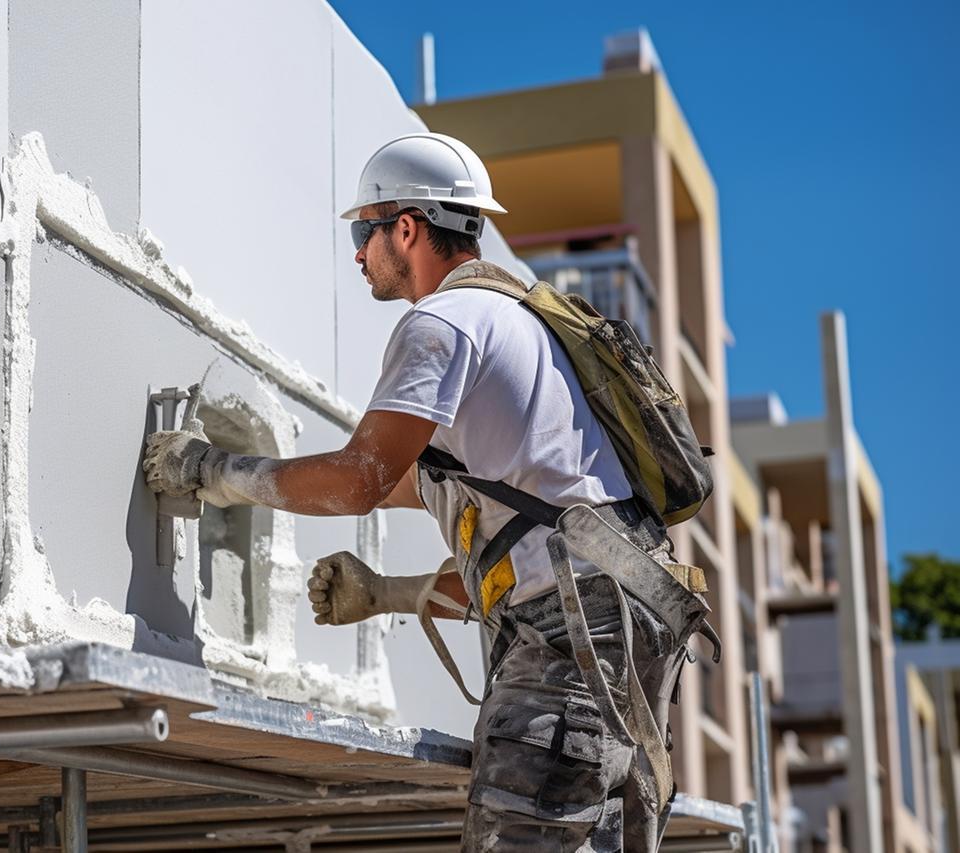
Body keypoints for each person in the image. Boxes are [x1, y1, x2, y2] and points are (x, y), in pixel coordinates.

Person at [144, 132, 705, 852]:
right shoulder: (518, 330)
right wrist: (386, 593)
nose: (357, 253)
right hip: (620, 651)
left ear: (404, 227)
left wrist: (214, 472)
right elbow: (520, 562)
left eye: (363, 231)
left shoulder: (442, 323)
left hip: (577, 656)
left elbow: (361, 478)